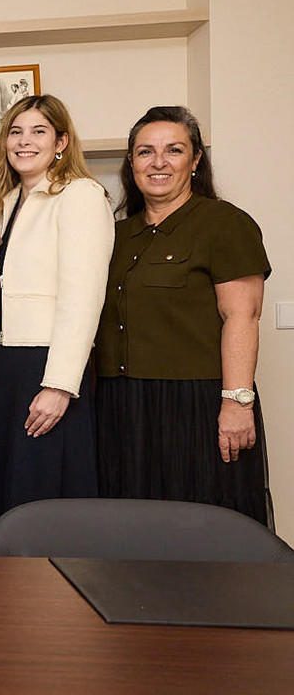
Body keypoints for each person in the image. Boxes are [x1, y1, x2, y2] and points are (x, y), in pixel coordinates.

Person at [96, 106, 272, 525]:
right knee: (131, 531)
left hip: (194, 406)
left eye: (173, 150)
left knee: (202, 528)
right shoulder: (115, 234)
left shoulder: (225, 224)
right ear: (131, 163)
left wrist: (237, 403)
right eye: (145, 152)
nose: (158, 162)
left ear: (194, 161)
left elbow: (242, 317)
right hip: (121, 407)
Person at [0, 94, 113, 548]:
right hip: (5, 363)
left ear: (61, 142)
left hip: (47, 367)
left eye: (38, 132)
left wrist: (59, 386)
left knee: (44, 495)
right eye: (15, 132)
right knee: (8, 492)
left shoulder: (81, 195)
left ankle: (52, 609)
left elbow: (83, 297)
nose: (24, 141)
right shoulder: (10, 200)